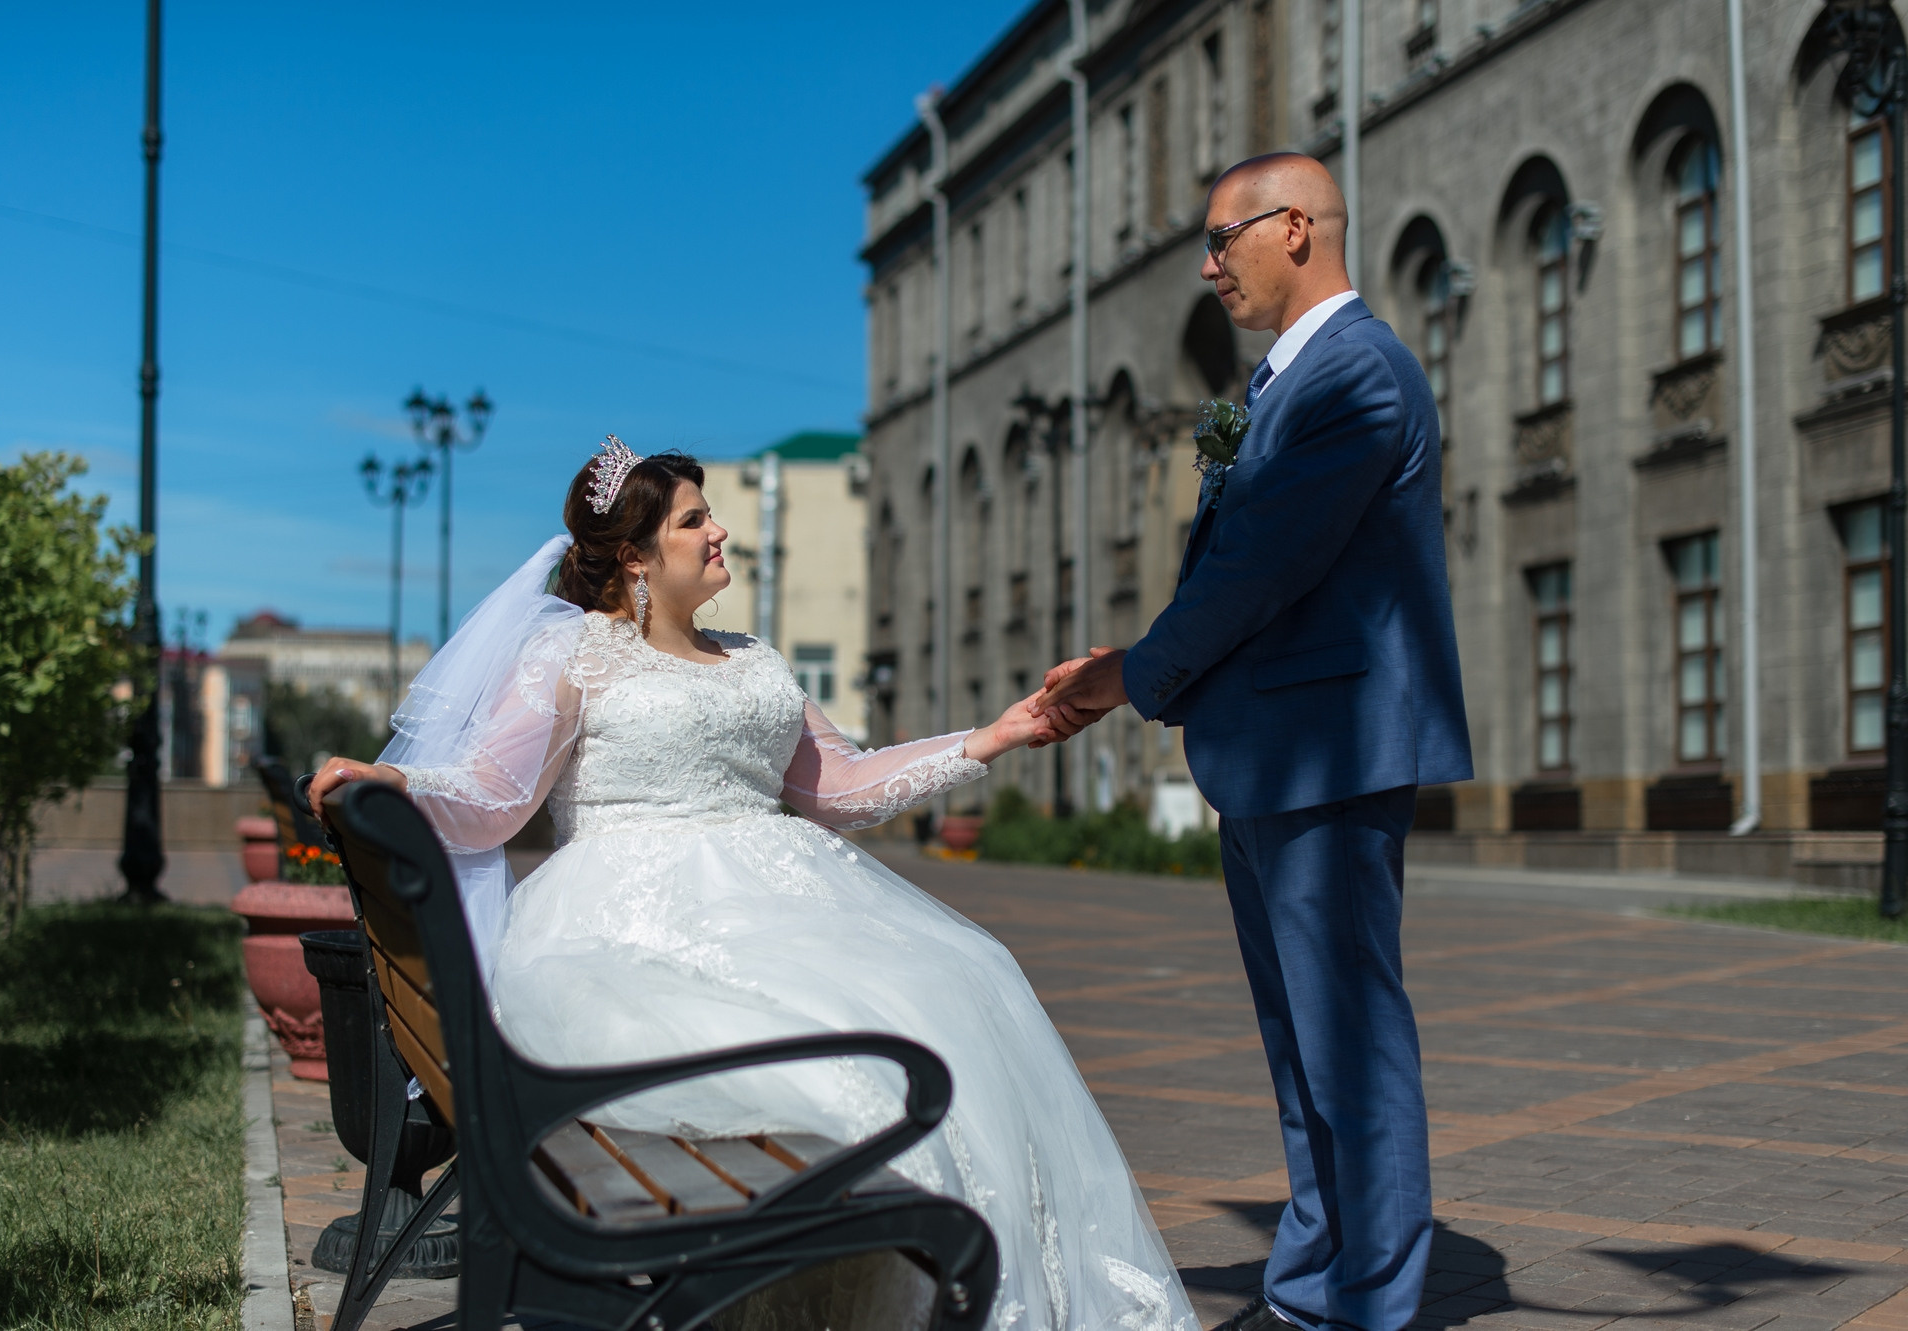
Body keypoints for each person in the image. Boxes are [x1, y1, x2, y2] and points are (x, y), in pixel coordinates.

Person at [310, 437, 1193, 1331]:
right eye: (694, 519)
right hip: (638, 919)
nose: (719, 531)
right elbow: (494, 797)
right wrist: (398, 782)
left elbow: (839, 786)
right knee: (853, 1056)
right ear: (636, 556)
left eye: (711, 514)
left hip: (792, 900)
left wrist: (992, 737)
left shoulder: (755, 658)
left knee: (967, 975)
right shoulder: (575, 655)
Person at [1035, 153, 1473, 1331]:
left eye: (1221, 238)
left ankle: (1363, 1304)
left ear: (1293, 228)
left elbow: (1263, 563)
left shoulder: (1356, 372)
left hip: (1327, 753)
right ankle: (1312, 1283)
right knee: (1301, 1049)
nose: (1206, 264)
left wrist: (1132, 673)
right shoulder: (1287, 380)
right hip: (1276, 752)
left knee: (1348, 1044)